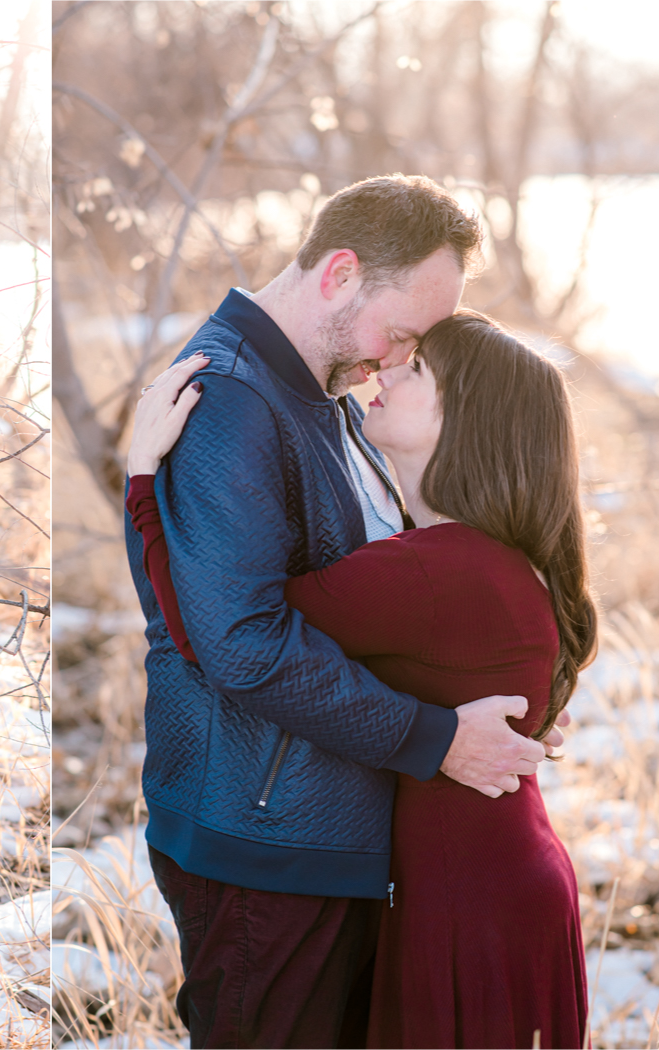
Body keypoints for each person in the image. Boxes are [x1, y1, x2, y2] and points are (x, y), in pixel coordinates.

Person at [118, 175, 565, 1050]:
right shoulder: (231, 401)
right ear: (340, 274)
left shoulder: (325, 392)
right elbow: (239, 640)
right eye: (402, 335)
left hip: (332, 832)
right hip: (266, 841)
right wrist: (438, 738)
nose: (396, 363)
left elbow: (381, 602)